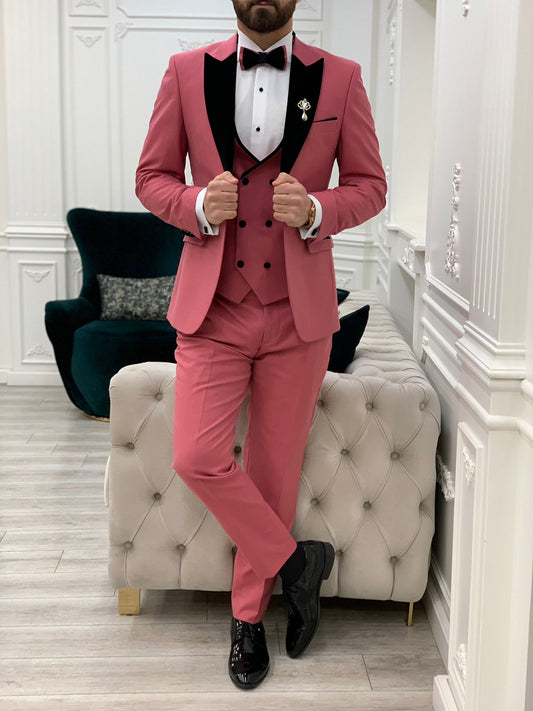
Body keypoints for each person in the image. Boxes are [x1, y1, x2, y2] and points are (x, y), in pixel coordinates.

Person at [136, 0, 387, 690]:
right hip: (213, 308)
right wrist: (194, 204)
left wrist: (316, 209)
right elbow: (151, 178)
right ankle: (300, 563)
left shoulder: (341, 77)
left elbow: (370, 188)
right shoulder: (185, 72)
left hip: (297, 315)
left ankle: (247, 618)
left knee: (274, 473)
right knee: (196, 455)